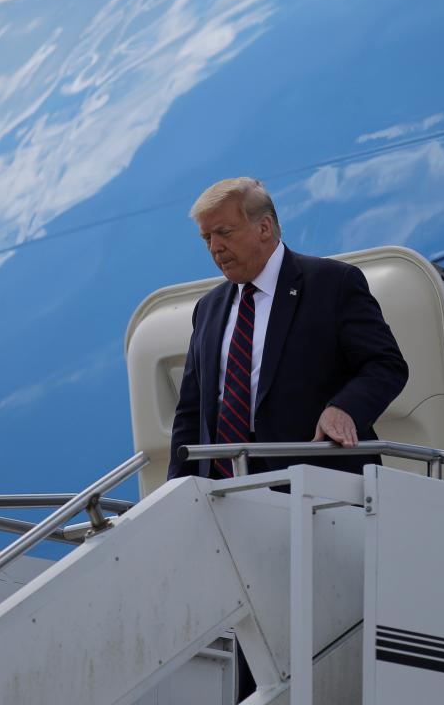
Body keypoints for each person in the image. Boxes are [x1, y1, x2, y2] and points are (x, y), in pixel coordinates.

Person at [168, 177, 408, 479]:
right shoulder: (208, 308)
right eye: (206, 238)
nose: (215, 248)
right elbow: (191, 412)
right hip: (225, 489)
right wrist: (178, 488)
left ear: (264, 228)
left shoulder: (332, 284)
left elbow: (386, 365)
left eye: (224, 233)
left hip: (315, 481)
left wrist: (344, 408)